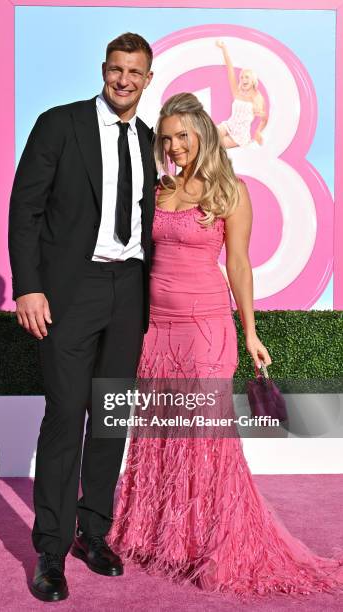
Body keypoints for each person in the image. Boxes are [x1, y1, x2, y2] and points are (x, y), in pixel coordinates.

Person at [109, 93, 343, 596]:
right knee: (161, 434)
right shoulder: (159, 188)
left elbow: (238, 264)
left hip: (205, 327)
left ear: (203, 134)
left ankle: (214, 544)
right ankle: (165, 540)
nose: (173, 146)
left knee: (206, 441)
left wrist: (251, 331)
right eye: (166, 138)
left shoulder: (229, 191)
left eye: (182, 136)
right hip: (156, 328)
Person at [8, 33, 155, 602]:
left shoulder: (147, 140)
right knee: (67, 416)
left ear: (147, 78)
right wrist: (29, 287)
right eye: (116, 69)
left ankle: (93, 533)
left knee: (110, 418)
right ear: (104, 70)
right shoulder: (59, 124)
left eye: (134, 72)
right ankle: (50, 547)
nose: (123, 79)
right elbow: (27, 208)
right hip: (71, 293)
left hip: (128, 292)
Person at [215, 40, 268, 148]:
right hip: (229, 125)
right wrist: (224, 48)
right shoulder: (237, 93)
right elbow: (230, 68)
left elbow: (264, 118)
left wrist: (258, 132)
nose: (243, 79)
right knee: (210, 135)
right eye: (242, 77)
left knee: (217, 144)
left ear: (253, 80)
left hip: (241, 135)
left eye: (246, 77)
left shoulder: (257, 98)